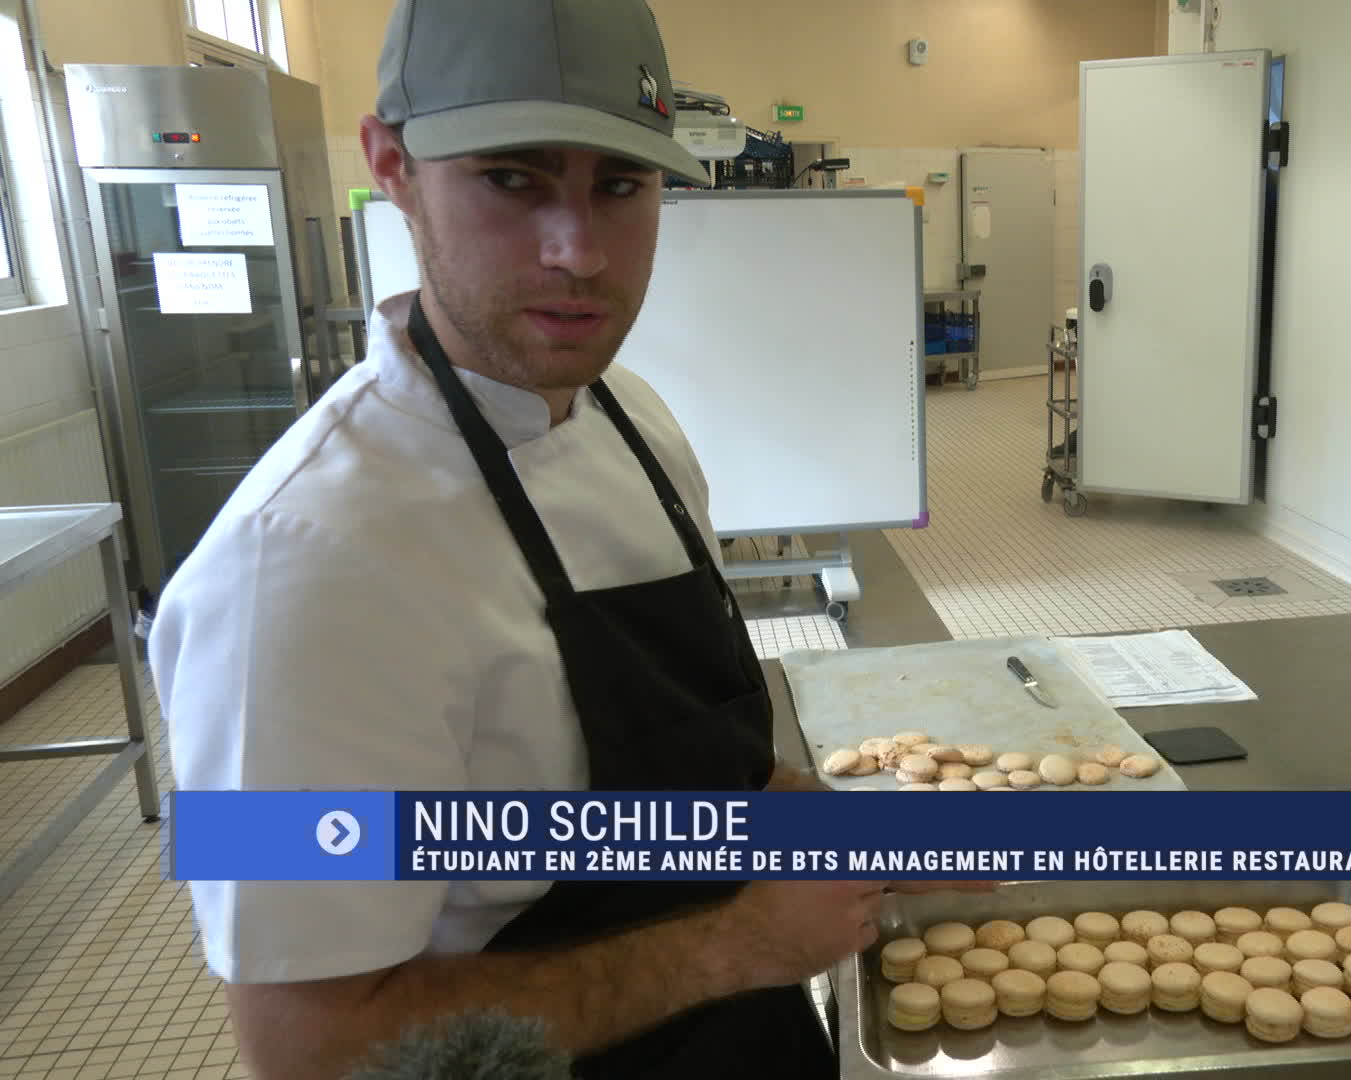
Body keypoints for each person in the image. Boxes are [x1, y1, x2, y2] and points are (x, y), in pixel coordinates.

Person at [150, 2, 982, 1077]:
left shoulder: (630, 418)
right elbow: (313, 1048)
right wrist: (742, 944)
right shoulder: (301, 572)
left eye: (620, 186)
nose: (579, 252)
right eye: (512, 178)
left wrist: (837, 828)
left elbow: (689, 772)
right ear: (391, 165)